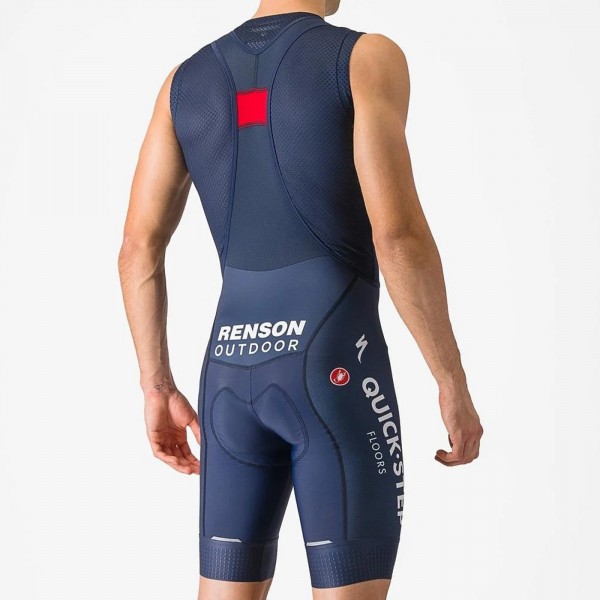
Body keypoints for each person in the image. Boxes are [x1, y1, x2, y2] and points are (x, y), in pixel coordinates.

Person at [118, 0, 484, 598]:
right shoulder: (363, 57)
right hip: (333, 368)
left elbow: (138, 248)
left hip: (227, 376)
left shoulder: (184, 82)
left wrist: (156, 387)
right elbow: (398, 235)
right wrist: (450, 379)